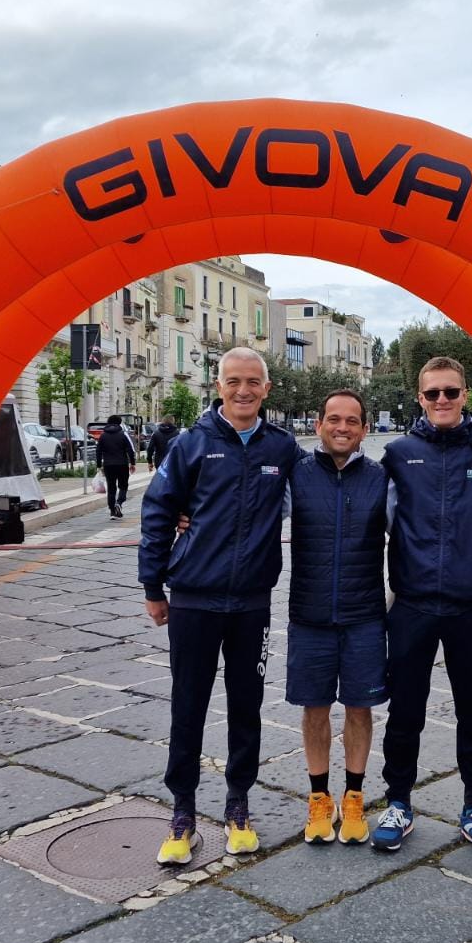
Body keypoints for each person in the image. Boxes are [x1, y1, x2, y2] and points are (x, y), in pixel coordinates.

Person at [139, 348, 300, 864]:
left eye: (253, 381)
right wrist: (152, 586)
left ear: (267, 389)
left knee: (246, 708)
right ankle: (182, 812)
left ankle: (238, 805)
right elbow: (158, 511)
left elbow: (316, 492)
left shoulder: (283, 447)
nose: (243, 390)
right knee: (188, 707)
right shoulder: (191, 443)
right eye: (234, 381)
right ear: (219, 384)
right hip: (193, 599)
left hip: (251, 602)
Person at [373, 356, 472, 855]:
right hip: (411, 605)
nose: (442, 401)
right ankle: (398, 802)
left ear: (465, 395)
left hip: (471, 608)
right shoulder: (398, 453)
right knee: (405, 709)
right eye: (432, 394)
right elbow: (355, 506)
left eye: (451, 392)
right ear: (420, 398)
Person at [287, 389, 388, 846]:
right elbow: (243, 506)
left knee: (360, 708)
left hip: (364, 615)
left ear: (364, 429)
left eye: (351, 421)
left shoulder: (381, 479)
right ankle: (318, 798)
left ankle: (353, 797)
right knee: (314, 709)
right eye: (333, 419)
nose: (342, 427)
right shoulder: (296, 474)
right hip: (309, 615)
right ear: (318, 425)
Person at [96, 416, 138, 518]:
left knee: (111, 488)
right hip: (122, 464)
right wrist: (132, 463)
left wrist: (99, 465)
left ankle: (112, 511)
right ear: (119, 423)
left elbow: (98, 451)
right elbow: (130, 450)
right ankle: (119, 503)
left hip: (108, 465)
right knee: (123, 486)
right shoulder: (123, 434)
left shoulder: (103, 436)